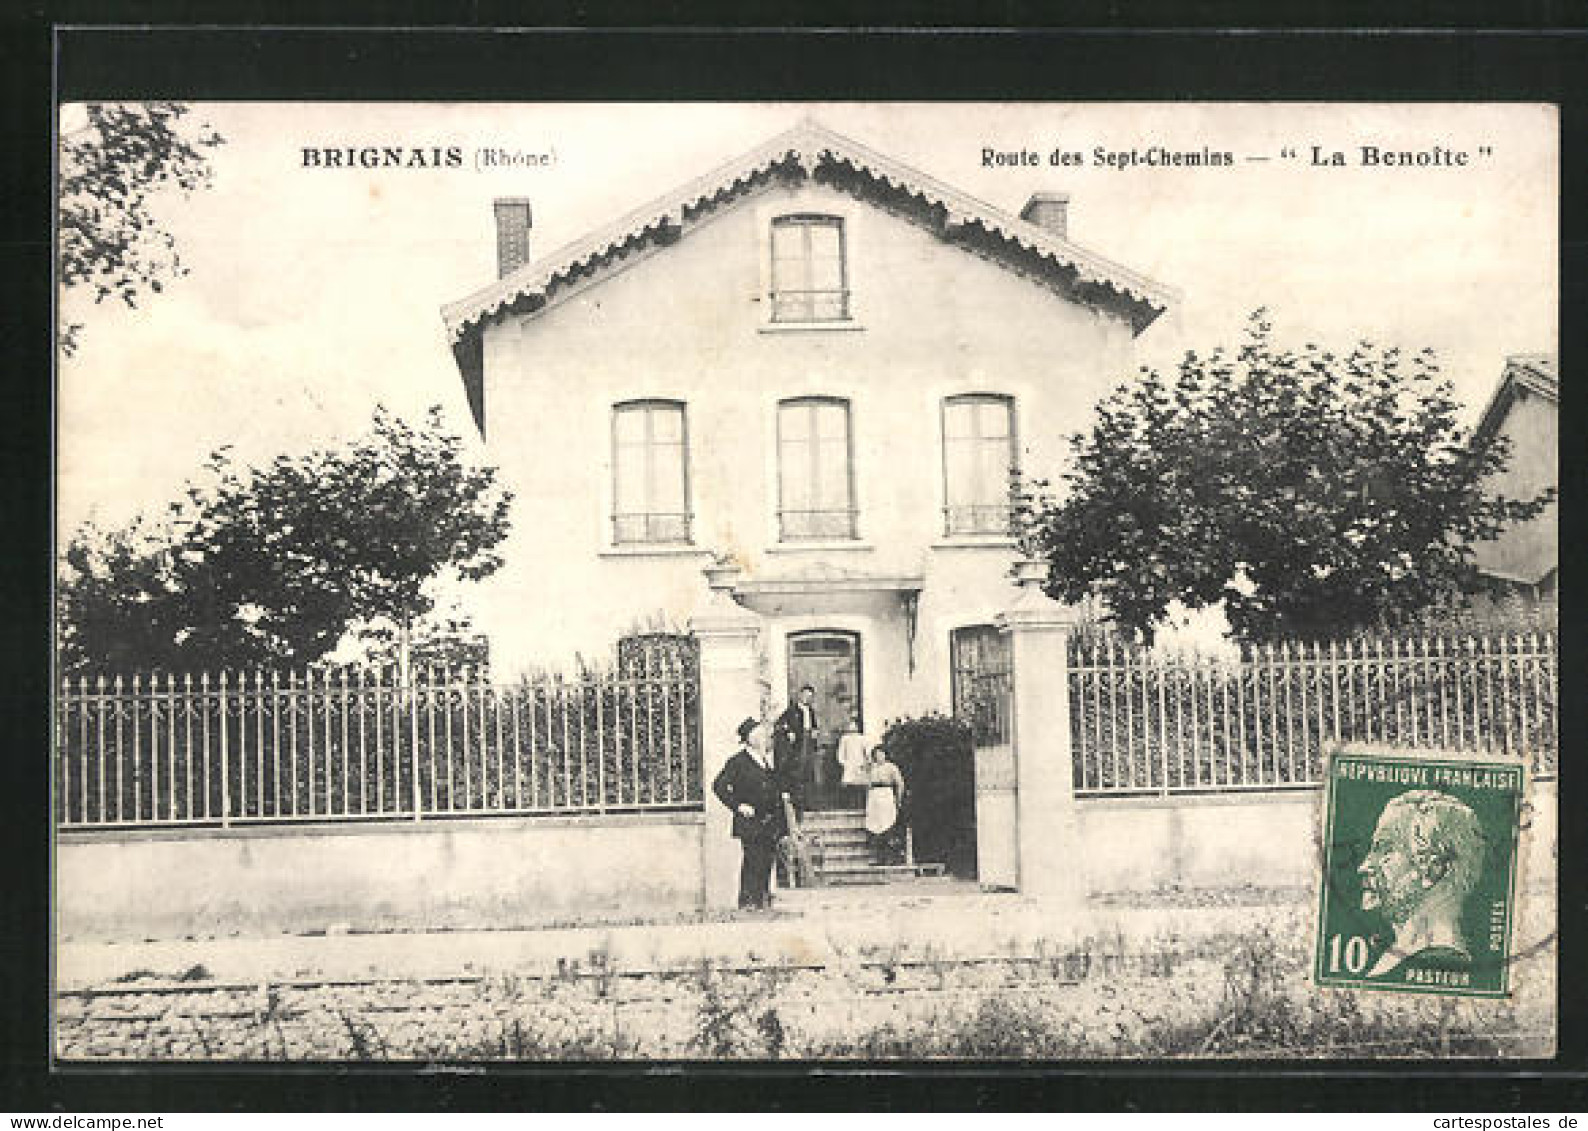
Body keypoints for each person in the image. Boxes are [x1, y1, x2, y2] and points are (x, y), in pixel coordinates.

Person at [1357, 788, 1487, 978]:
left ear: (1432, 869)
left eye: (1385, 848)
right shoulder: (1402, 954)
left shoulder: (1438, 963)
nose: (1364, 866)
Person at [711, 716, 788, 911]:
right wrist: (738, 806)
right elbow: (718, 786)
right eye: (758, 734)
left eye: (763, 734)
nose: (763, 737)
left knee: (766, 861)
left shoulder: (764, 759)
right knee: (753, 860)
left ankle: (761, 901)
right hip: (750, 822)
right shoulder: (737, 761)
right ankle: (747, 903)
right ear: (748, 738)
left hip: (769, 821)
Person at [774, 684, 819, 812]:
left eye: (810, 696)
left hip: (809, 742)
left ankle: (809, 803)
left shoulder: (810, 711)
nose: (807, 698)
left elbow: (814, 726)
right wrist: (789, 732)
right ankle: (798, 804)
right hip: (797, 746)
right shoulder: (792, 710)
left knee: (808, 773)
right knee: (797, 773)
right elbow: (780, 723)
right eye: (805, 695)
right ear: (800, 695)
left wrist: (815, 732)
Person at [864, 744, 907, 864]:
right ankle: (879, 857)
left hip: (886, 794)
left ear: (885, 754)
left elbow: (900, 783)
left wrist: (898, 799)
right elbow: (867, 783)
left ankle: (891, 858)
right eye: (876, 754)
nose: (879, 756)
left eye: (881, 753)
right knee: (874, 826)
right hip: (874, 796)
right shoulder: (871, 767)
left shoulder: (891, 767)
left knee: (887, 824)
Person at [836, 710, 871, 808]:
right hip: (849, 763)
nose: (852, 726)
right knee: (848, 783)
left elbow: (867, 752)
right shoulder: (845, 739)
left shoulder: (862, 738)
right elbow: (840, 753)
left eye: (854, 724)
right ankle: (848, 804)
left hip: (860, 763)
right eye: (850, 724)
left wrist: (866, 762)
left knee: (860, 783)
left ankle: (860, 804)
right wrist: (844, 763)